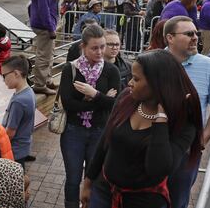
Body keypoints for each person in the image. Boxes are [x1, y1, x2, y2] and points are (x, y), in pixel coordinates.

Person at [81, 50, 203, 208]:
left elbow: (157, 169)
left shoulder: (183, 121)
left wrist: (160, 120)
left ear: (158, 84)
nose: (130, 83)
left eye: (136, 79)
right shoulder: (126, 98)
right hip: (104, 192)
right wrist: (88, 182)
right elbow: (105, 141)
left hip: (145, 202)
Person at [163, 15, 210, 208]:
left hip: (187, 149)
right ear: (170, 38)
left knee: (178, 199)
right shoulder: (152, 63)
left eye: (196, 33)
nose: (195, 38)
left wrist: (203, 138)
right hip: (151, 145)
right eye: (189, 33)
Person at [59, 24, 121, 208]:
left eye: (103, 47)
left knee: (93, 177)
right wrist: (102, 100)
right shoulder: (70, 69)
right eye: (94, 48)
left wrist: (93, 94)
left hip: (100, 131)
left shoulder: (111, 71)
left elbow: (116, 103)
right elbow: (69, 104)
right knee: (73, 177)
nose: (100, 52)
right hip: (73, 131)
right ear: (83, 47)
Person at [29, 0, 62, 96]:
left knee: (49, 54)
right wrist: (50, 28)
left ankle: (47, 80)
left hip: (46, 25)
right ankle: (39, 85)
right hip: (44, 26)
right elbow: (44, 8)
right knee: (44, 56)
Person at [0, 55, 36, 168]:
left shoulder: (19, 101)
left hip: (14, 150)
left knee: (13, 183)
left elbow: (10, 132)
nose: (3, 79)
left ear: (16, 73)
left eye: (4, 75)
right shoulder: (29, 91)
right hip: (23, 147)